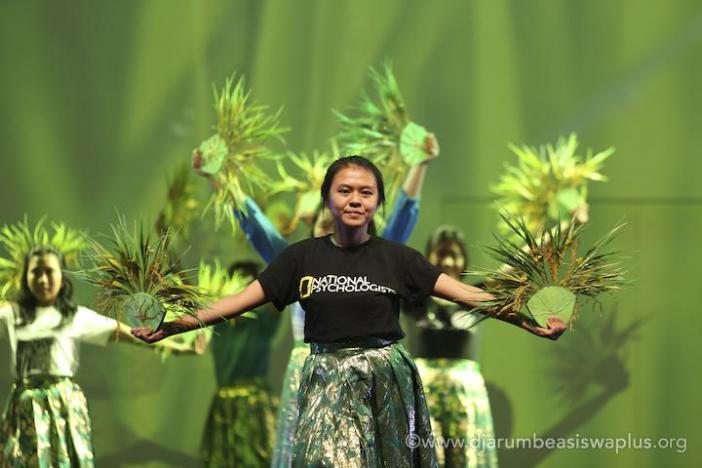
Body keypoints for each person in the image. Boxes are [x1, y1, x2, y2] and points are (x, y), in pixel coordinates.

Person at [134, 155, 566, 467]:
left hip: (386, 380)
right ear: (327, 199)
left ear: (378, 202)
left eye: (366, 192)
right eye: (344, 191)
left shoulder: (398, 258)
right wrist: (173, 325)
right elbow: (236, 302)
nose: (355, 199)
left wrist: (530, 321)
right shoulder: (300, 258)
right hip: (327, 380)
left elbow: (470, 296)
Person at [193, 140, 437, 467]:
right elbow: (256, 227)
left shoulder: (379, 255)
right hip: (313, 372)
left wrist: (419, 165)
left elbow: (399, 222)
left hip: (366, 374)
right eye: (325, 224)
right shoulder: (299, 260)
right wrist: (217, 178)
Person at [0, 245, 182, 467]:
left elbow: (130, 333)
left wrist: (179, 347)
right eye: (36, 272)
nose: (43, 279)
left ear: (62, 277)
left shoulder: (75, 316)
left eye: (49, 271)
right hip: (25, 403)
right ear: (26, 276)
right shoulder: (12, 314)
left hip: (62, 402)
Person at [409, 226, 498, 467]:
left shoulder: (477, 296)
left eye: (454, 254)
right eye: (441, 253)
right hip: (423, 394)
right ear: (428, 256)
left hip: (465, 396)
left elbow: (515, 268)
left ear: (464, 259)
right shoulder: (414, 298)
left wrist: (566, 225)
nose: (448, 261)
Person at [197, 260, 280, 467]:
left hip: (254, 405)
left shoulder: (261, 320)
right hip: (223, 405)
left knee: (257, 459)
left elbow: (277, 295)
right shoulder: (218, 322)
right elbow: (189, 298)